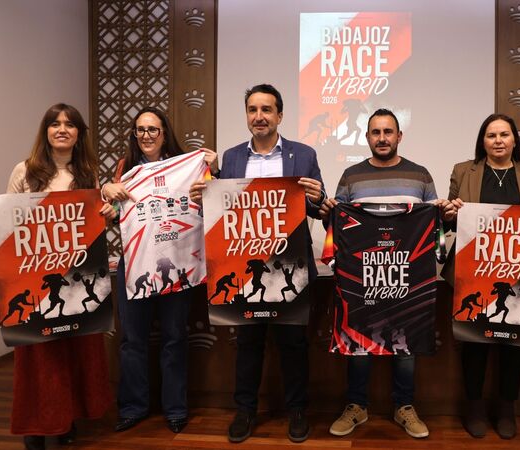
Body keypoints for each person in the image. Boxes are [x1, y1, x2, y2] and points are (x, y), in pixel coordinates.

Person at [189, 83, 325, 444]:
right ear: (247, 115)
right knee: (248, 343)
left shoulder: (303, 154)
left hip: (289, 267)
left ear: (280, 115)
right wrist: (203, 197)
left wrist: (318, 197)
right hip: (244, 268)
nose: (259, 116)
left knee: (293, 344)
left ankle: (297, 410)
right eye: (253, 109)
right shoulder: (232, 157)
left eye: (266, 109)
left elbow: (317, 207)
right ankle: (245, 410)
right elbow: (223, 210)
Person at [0, 103, 115, 450]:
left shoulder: (87, 173)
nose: (62, 129)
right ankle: (35, 426)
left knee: (72, 352)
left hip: (73, 277)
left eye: (69, 124)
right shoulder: (24, 171)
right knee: (38, 356)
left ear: (79, 134)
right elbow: (10, 222)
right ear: (46, 131)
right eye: (55, 124)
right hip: (34, 280)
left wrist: (107, 212)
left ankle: (65, 419)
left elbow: (93, 225)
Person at [320, 108, 454, 440]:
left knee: (406, 344)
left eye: (388, 132)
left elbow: (433, 225)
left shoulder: (420, 175)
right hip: (361, 276)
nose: (382, 138)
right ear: (367, 137)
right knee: (359, 342)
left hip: (408, 277)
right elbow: (337, 227)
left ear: (399, 136)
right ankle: (356, 405)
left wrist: (443, 214)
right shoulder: (351, 176)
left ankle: (404, 406)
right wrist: (328, 213)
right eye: (376, 132)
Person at [100, 106, 218, 434]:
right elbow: (113, 212)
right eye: (140, 129)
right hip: (135, 262)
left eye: (153, 129)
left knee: (175, 338)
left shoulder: (188, 166)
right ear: (134, 134)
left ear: (164, 133)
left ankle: (175, 408)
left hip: (176, 260)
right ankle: (133, 407)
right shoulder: (125, 169)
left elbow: (212, 203)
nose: (146, 135)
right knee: (132, 340)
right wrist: (106, 191)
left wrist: (213, 172)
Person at [440, 113, 520, 440]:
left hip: (518, 273)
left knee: (515, 344)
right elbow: (449, 224)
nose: (498, 141)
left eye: (504, 135)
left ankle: (506, 407)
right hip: (474, 270)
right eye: (491, 135)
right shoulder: (463, 171)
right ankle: (474, 406)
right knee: (475, 342)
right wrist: (449, 213)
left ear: (515, 140)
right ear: (482, 141)